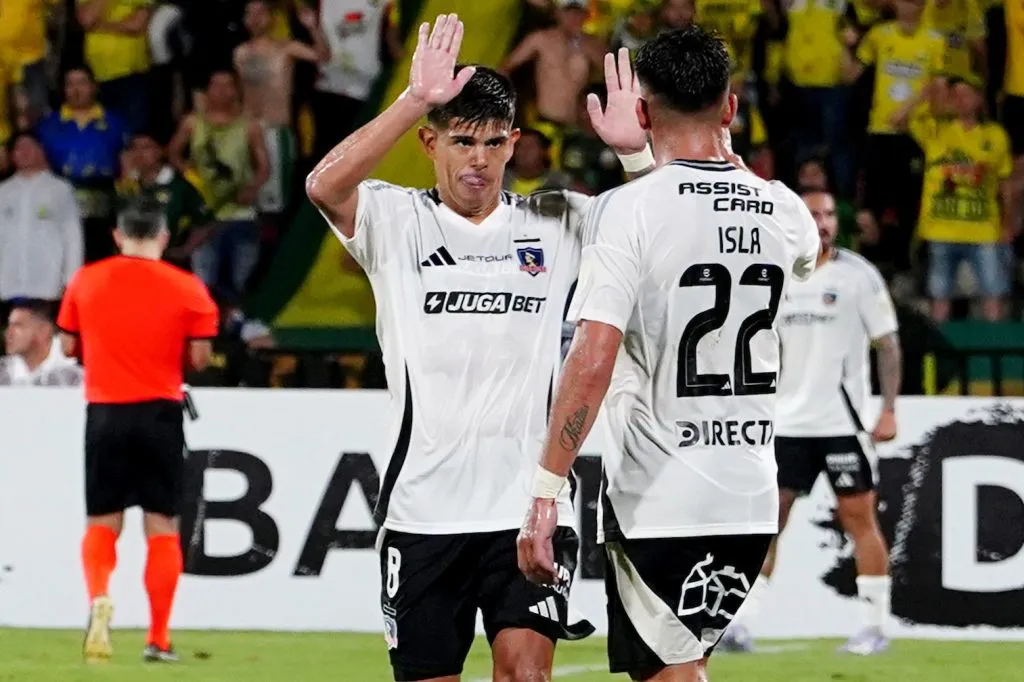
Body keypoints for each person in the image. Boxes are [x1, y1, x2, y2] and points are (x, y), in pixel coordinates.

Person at [306, 13, 654, 682]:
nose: (479, 160)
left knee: (526, 675)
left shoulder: (555, 221)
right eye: (462, 142)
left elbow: (660, 226)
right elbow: (324, 185)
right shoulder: (395, 219)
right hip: (422, 512)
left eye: (495, 143)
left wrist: (636, 155)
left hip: (527, 508)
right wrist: (413, 97)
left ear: (514, 142)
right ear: (429, 142)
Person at [517, 26, 820, 682]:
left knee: (671, 676)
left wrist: (546, 491)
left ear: (645, 113)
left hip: (662, 498)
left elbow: (592, 358)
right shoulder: (784, 210)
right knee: (684, 666)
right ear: (732, 109)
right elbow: (733, 220)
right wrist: (662, 159)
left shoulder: (626, 212)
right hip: (749, 499)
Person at [719, 187, 902, 656]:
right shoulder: (774, 274)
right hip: (785, 425)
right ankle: (742, 622)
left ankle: (873, 626)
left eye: (827, 214)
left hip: (841, 423)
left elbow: (888, 343)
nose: (821, 223)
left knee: (858, 519)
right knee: (767, 523)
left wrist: (888, 409)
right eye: (812, 214)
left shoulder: (858, 275)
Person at [56, 199, 219, 664]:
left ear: (117, 235)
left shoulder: (86, 280)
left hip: (105, 411)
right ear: (163, 238)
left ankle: (100, 598)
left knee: (102, 521)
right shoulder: (188, 288)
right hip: (160, 413)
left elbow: (68, 344)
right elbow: (202, 358)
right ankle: (159, 637)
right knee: (161, 524)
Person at [169, 69, 269, 302]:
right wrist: (188, 174)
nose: (222, 91)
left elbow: (264, 167)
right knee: (203, 284)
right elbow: (173, 153)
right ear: (206, 91)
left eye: (228, 85)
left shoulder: (250, 125)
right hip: (204, 213)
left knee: (241, 282)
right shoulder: (193, 122)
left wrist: (252, 188)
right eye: (216, 85)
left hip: (240, 213)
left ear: (236, 90)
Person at [235, 0, 328, 218]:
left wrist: (313, 27)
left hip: (276, 131)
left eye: (261, 12)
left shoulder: (286, 48)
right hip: (249, 131)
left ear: (271, 18)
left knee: (276, 201)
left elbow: (323, 56)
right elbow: (241, 94)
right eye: (250, 13)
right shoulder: (240, 53)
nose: (255, 18)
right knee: (250, 199)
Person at [0, 132, 83, 310]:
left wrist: (71, 279)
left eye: (29, 146)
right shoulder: (3, 191)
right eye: (18, 148)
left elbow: (73, 237)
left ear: (41, 150)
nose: (24, 152)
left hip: (48, 284)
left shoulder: (60, 189)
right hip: (7, 282)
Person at [117, 130, 214, 271]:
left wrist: (185, 250)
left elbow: (205, 221)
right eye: (133, 148)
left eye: (146, 148)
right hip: (130, 262)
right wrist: (126, 179)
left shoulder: (179, 185)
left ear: (160, 152)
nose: (138, 153)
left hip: (168, 263)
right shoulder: (126, 184)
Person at [0, 300, 83, 387]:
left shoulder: (77, 372)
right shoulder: (4, 371)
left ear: (43, 331)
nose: (8, 333)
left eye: (18, 326)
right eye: (9, 325)